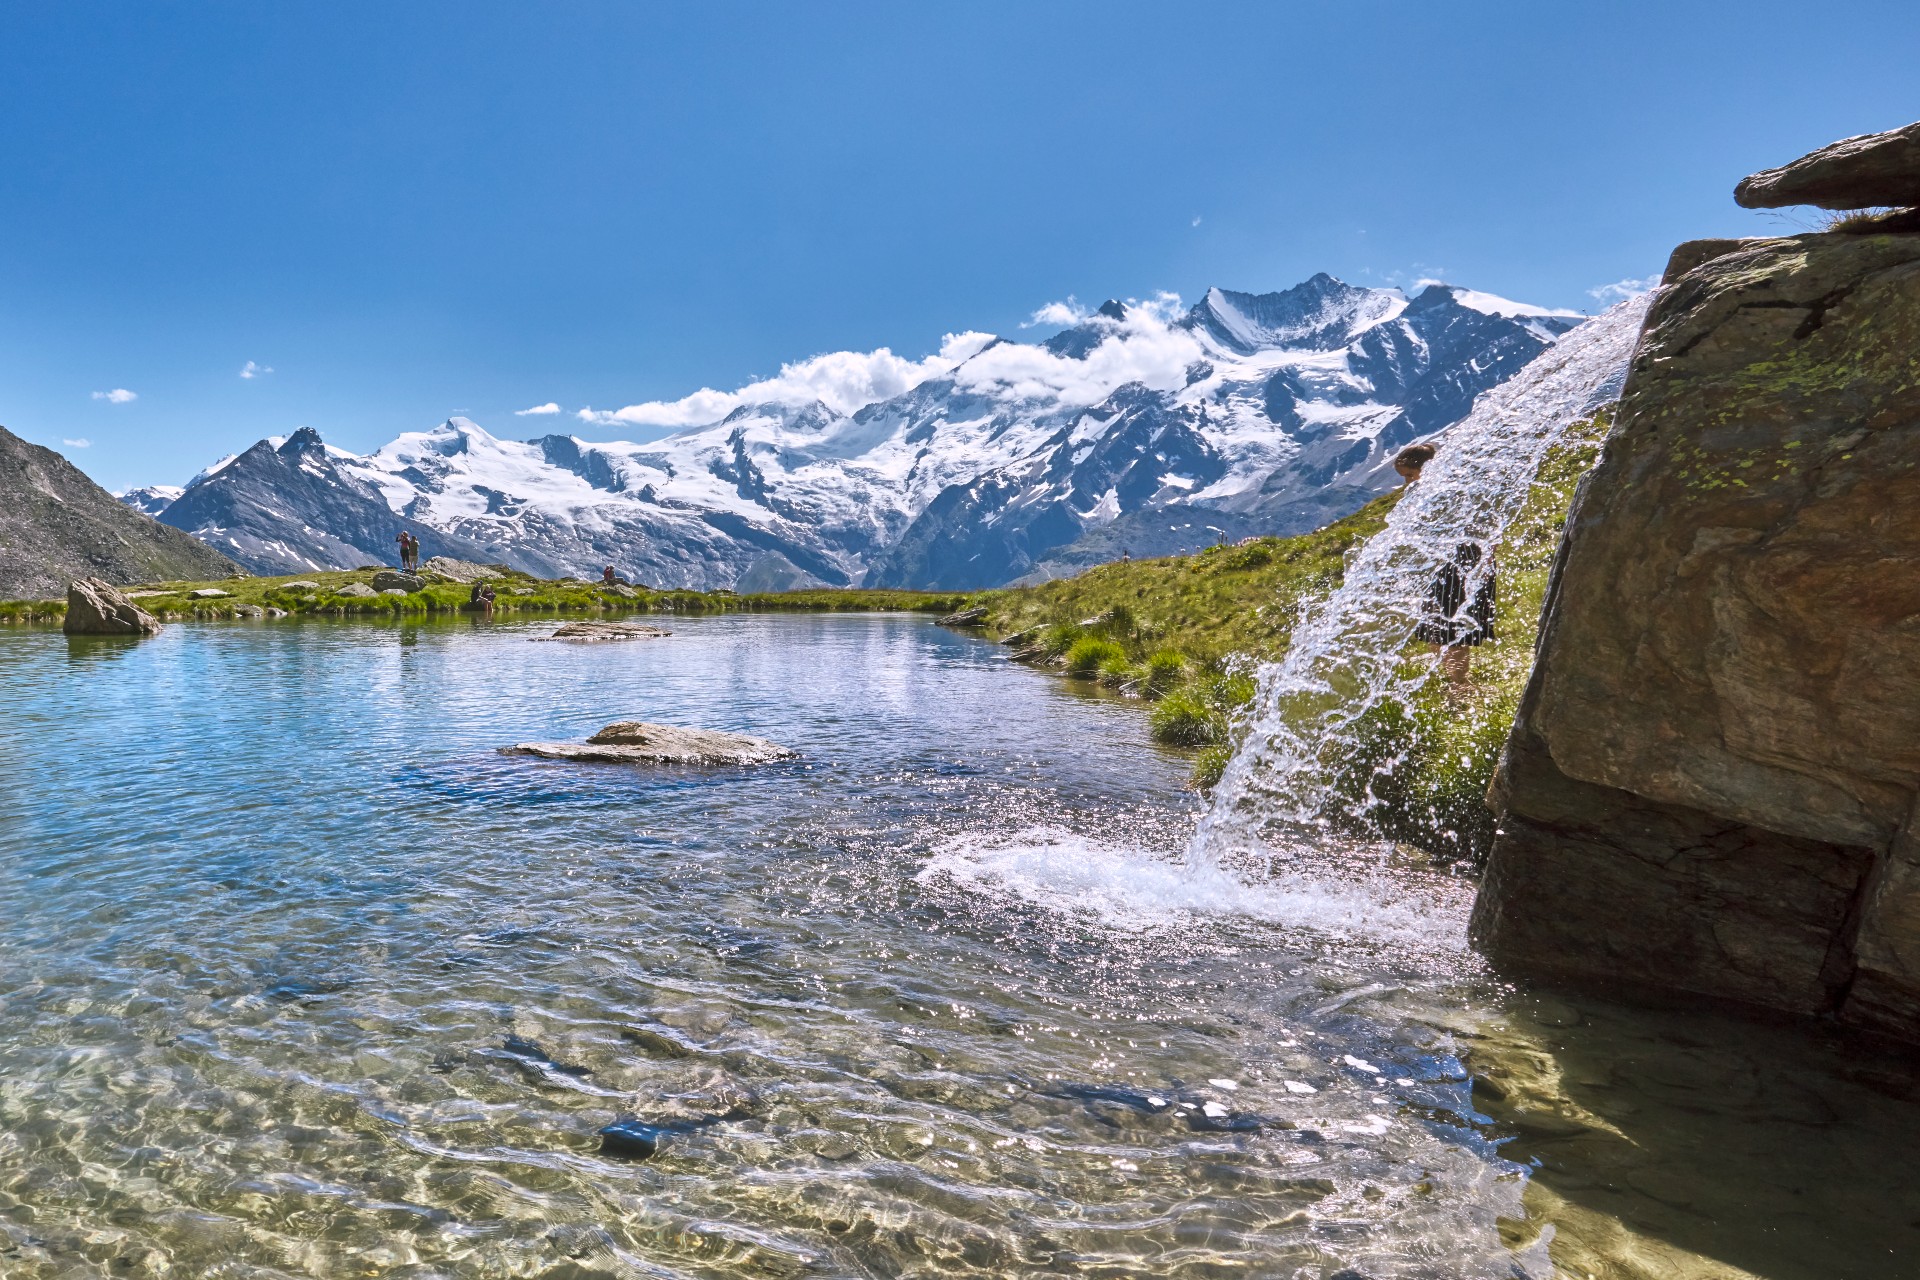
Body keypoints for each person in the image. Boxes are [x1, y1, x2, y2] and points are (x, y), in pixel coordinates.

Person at [1414, 541, 1495, 686]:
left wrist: (1489, 554)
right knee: (1436, 626)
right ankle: (1456, 679)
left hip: (1464, 561)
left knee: (1453, 630)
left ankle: (1460, 684)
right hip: (1445, 558)